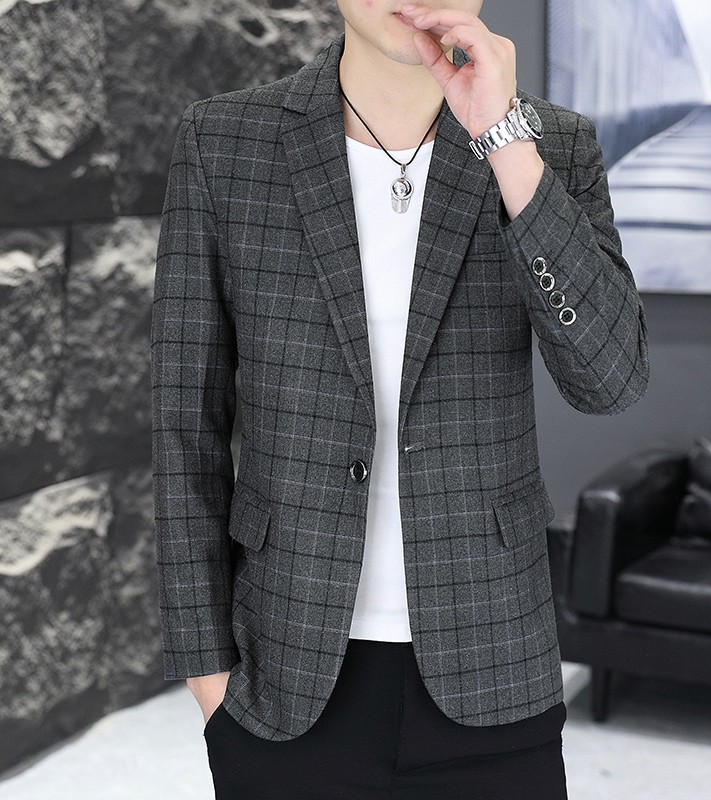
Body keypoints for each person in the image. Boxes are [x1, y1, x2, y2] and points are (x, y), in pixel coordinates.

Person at [150, 2, 649, 797]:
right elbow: (186, 425)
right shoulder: (225, 142)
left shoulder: (552, 145)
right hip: (286, 671)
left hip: (493, 662)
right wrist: (206, 671)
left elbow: (611, 378)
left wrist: (503, 142)